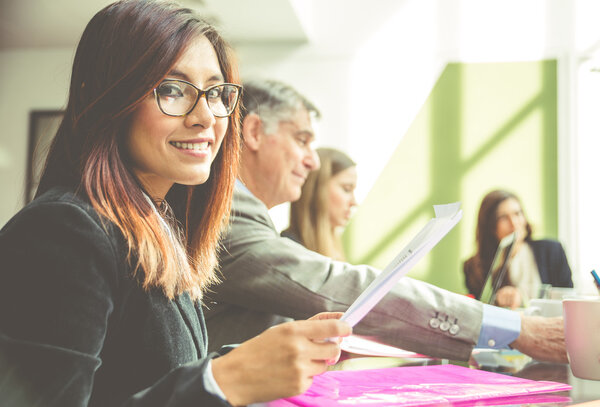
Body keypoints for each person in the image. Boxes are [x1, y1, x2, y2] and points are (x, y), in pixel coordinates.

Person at [0, 2, 351, 406]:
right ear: (106, 97)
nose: (205, 116)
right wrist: (225, 380)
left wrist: (250, 360)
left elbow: (144, 377)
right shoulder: (63, 231)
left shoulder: (160, 225)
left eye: (216, 93)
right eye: (171, 89)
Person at [203, 79, 567, 365]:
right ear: (252, 133)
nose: (311, 162)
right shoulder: (227, 212)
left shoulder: (239, 214)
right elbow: (340, 286)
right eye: (302, 140)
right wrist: (515, 328)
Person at [463, 189, 573, 309]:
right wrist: (497, 300)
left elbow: (567, 299)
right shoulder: (474, 267)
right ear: (490, 226)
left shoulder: (552, 251)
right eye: (503, 217)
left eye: (517, 213)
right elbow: (480, 312)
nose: (514, 223)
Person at [282, 147, 358, 260]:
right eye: (346, 189)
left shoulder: (334, 250)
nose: (354, 203)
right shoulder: (288, 250)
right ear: (317, 190)